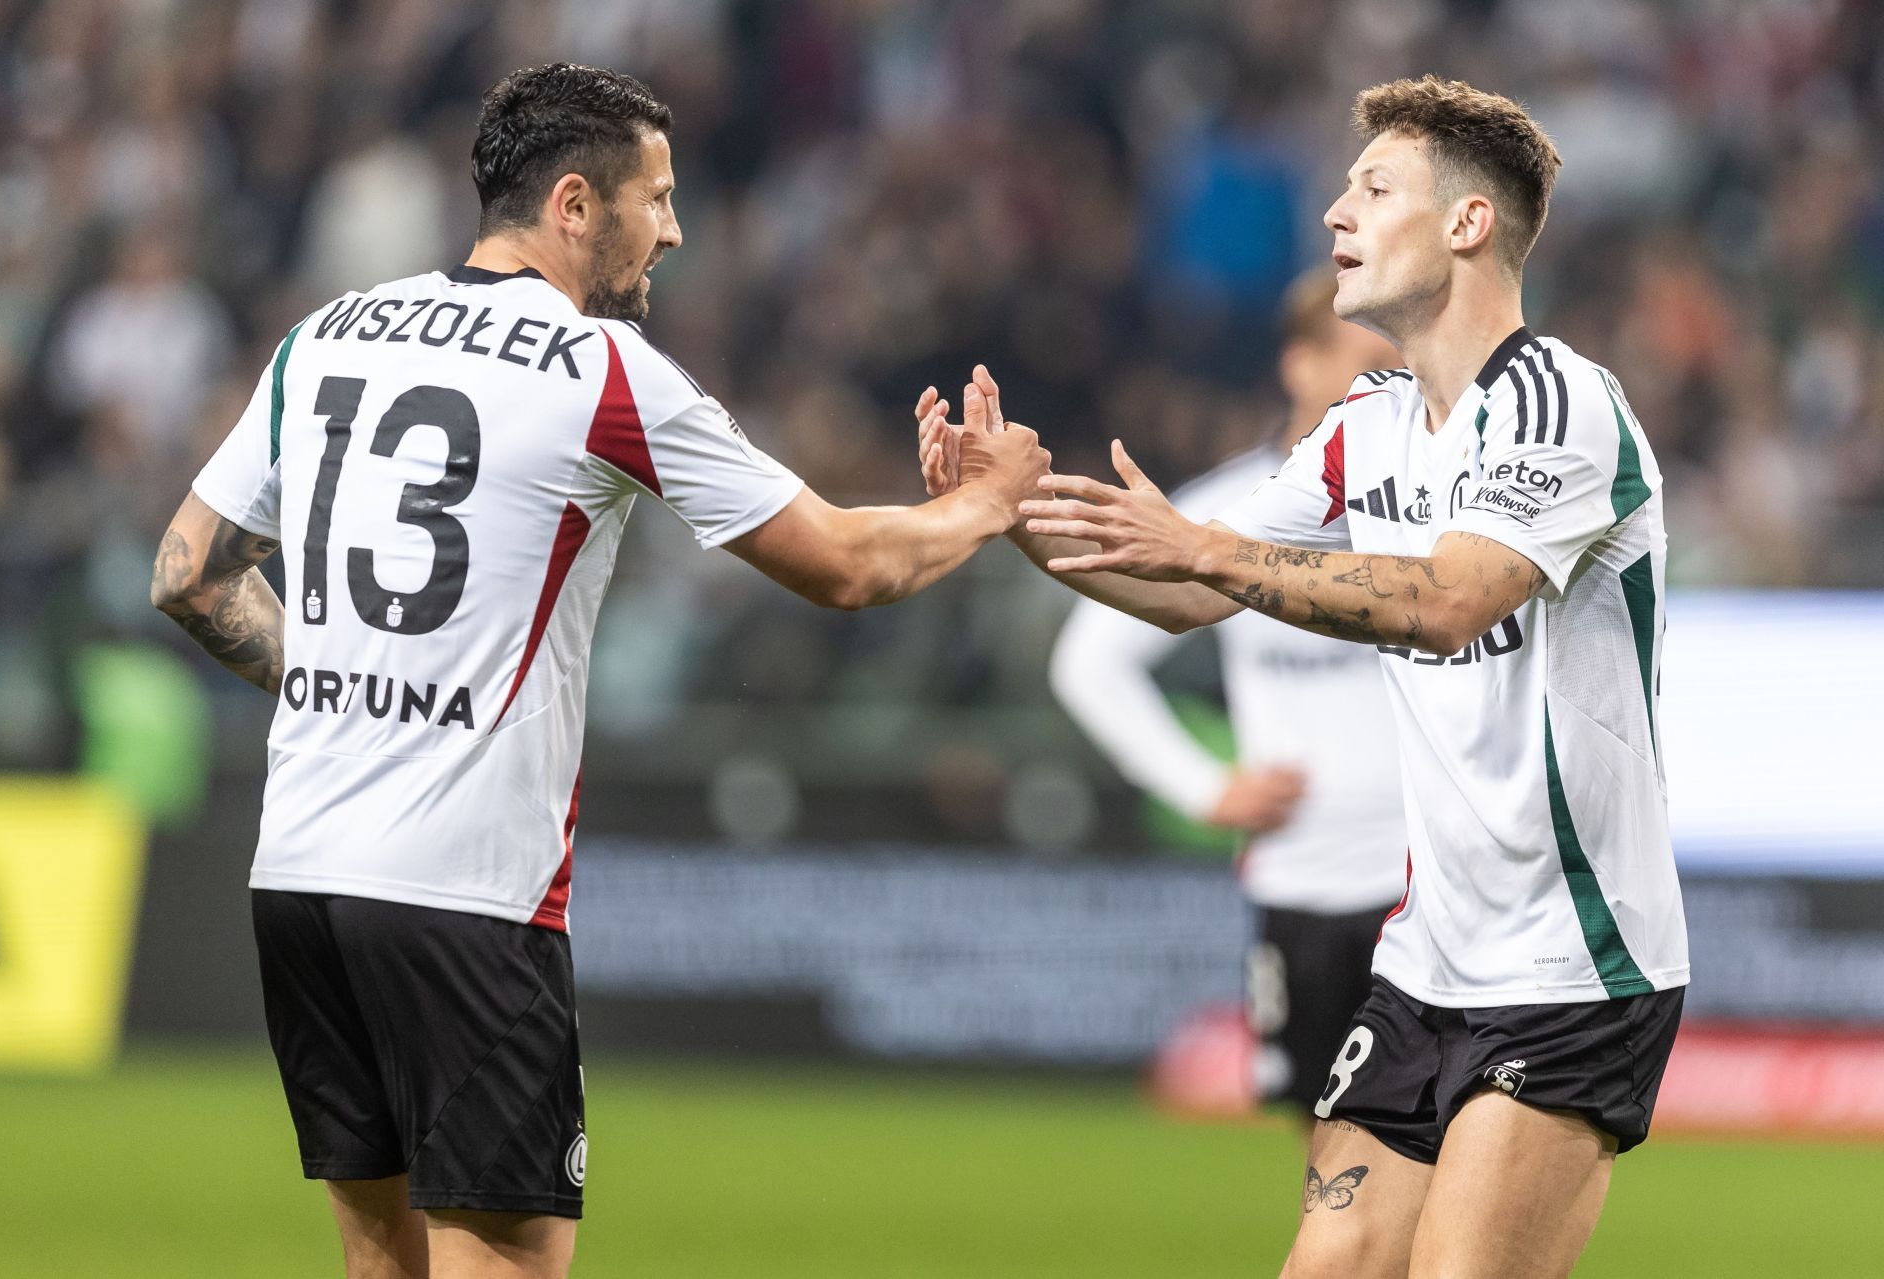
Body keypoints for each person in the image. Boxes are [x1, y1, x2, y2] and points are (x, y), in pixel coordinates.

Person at [151, 63, 1047, 1279]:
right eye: (657, 199)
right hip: (467, 894)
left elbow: (189, 571)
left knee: (380, 1261)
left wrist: (349, 686)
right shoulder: (599, 369)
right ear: (575, 204)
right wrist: (989, 506)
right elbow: (845, 563)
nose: (674, 230)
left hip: (301, 874)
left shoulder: (329, 336)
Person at [920, 76, 1685, 1277]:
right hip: (1426, 957)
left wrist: (1209, 544)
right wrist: (1011, 515)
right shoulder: (1366, 420)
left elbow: (1448, 600)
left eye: (1374, 188)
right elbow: (1184, 591)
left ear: (1467, 225)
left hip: (1572, 963)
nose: (1336, 211)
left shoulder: (1557, 403)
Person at [1047, 266, 1405, 1124]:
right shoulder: (1225, 513)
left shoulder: (1427, 511)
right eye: (1362, 360)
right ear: (1299, 364)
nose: (1381, 385)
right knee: (1329, 1151)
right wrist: (1204, 785)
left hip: (1423, 880)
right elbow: (1088, 662)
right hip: (1303, 873)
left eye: (1394, 365)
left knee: (1434, 1144)